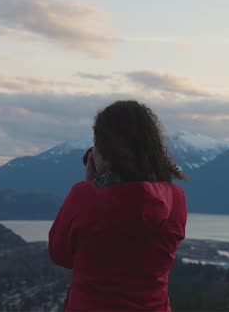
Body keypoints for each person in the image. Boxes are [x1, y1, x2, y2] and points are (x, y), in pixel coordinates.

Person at [48, 100, 187, 311]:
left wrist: (90, 186)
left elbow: (60, 254)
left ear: (103, 152)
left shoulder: (83, 196)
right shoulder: (176, 198)